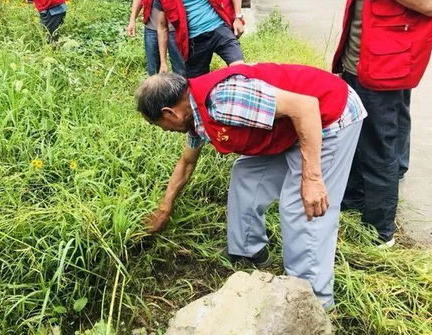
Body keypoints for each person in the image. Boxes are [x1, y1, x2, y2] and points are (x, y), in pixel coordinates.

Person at [136, 63, 367, 308]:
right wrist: (164, 209)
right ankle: (249, 250)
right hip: (294, 127)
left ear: (170, 113)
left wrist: (311, 178)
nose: (164, 130)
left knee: (301, 207)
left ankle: (311, 300)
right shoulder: (196, 114)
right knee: (246, 173)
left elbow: (306, 107)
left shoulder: (224, 101)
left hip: (330, 117)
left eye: (158, 124)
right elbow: (186, 163)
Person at [332, 0, 432, 246]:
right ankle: (355, 204)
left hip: (384, 66)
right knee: (356, 142)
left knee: (379, 149)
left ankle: (380, 233)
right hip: (359, 62)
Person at [155, 0, 245, 78]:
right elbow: (162, 27)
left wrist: (238, 17)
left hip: (220, 29)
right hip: (194, 41)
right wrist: (163, 62)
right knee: (196, 87)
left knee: (240, 70)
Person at [127, 0, 186, 76]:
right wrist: (132, 19)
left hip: (176, 26)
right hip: (152, 26)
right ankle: (158, 94)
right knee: (153, 71)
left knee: (181, 71)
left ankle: (183, 93)